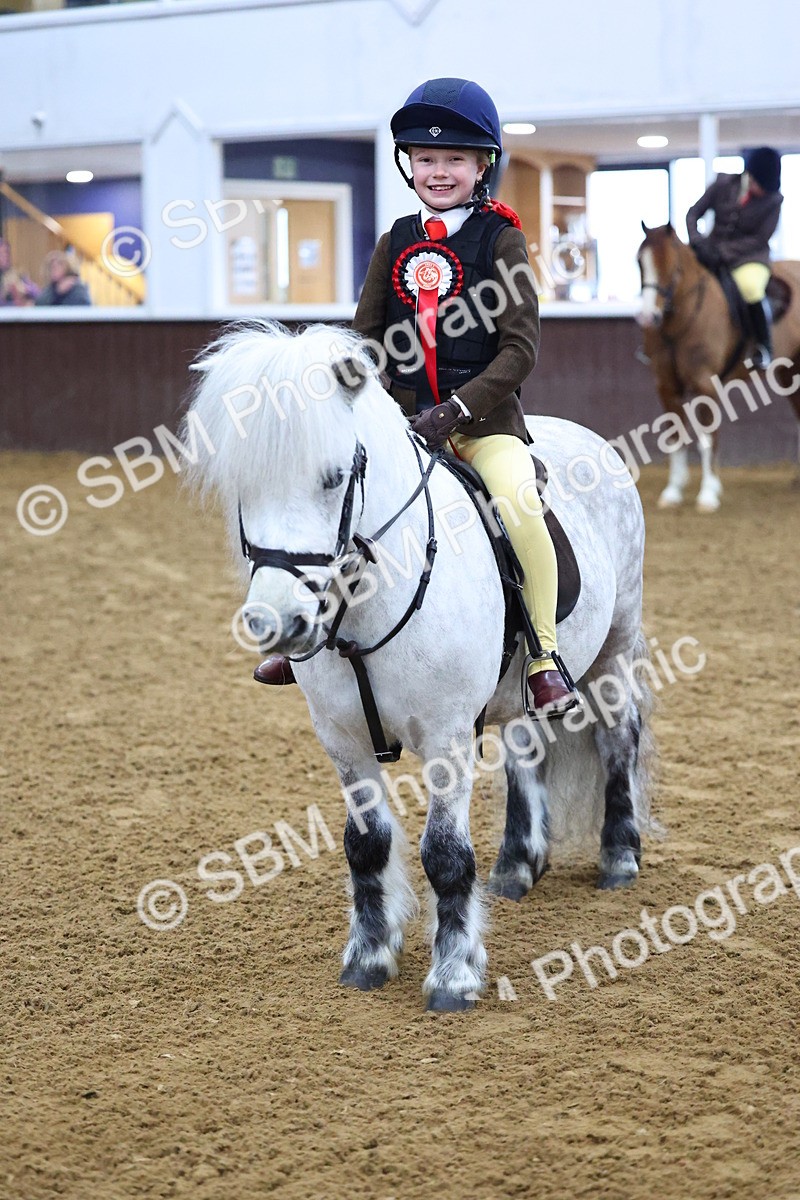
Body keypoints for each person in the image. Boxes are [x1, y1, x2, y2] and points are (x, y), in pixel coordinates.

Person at [254, 77, 578, 718]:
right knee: (339, 505)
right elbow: (365, 340)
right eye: (426, 158)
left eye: (455, 158)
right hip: (400, 423)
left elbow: (520, 350)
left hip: (483, 425)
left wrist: (458, 410)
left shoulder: (502, 240)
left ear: (482, 166)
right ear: (409, 165)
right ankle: (306, 638)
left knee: (517, 504)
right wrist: (346, 390)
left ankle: (543, 655)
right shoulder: (396, 240)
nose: (439, 171)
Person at [686, 146, 783, 368]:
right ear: (750, 175)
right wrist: (698, 241)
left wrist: (722, 252)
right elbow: (693, 214)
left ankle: (763, 346)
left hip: (749, 258)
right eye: (759, 184)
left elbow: (759, 239)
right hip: (710, 251)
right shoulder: (723, 184)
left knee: (751, 288)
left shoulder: (774, 201)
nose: (762, 192)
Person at [0, 238, 39, 306]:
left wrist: (25, 288)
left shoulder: (18, 274)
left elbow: (38, 294)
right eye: (1, 254)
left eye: (7, 253)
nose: (6, 257)